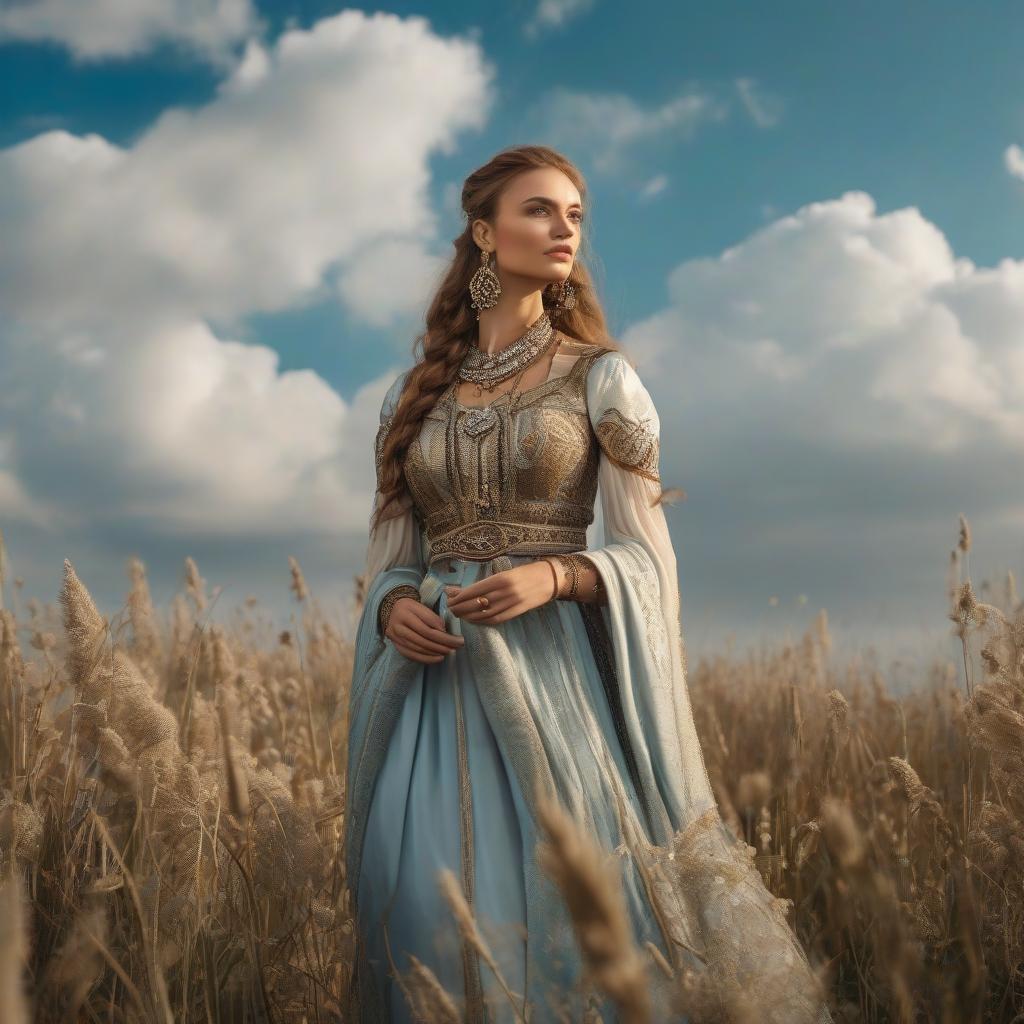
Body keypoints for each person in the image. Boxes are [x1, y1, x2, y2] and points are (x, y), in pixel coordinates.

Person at [343, 145, 832, 1023]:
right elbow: (390, 562)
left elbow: (651, 560)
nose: (564, 227)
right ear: (484, 234)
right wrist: (390, 610)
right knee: (418, 907)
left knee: (568, 904)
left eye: (574, 214)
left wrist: (560, 574)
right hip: (425, 693)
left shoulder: (601, 379)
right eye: (539, 210)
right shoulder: (409, 400)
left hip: (553, 684)